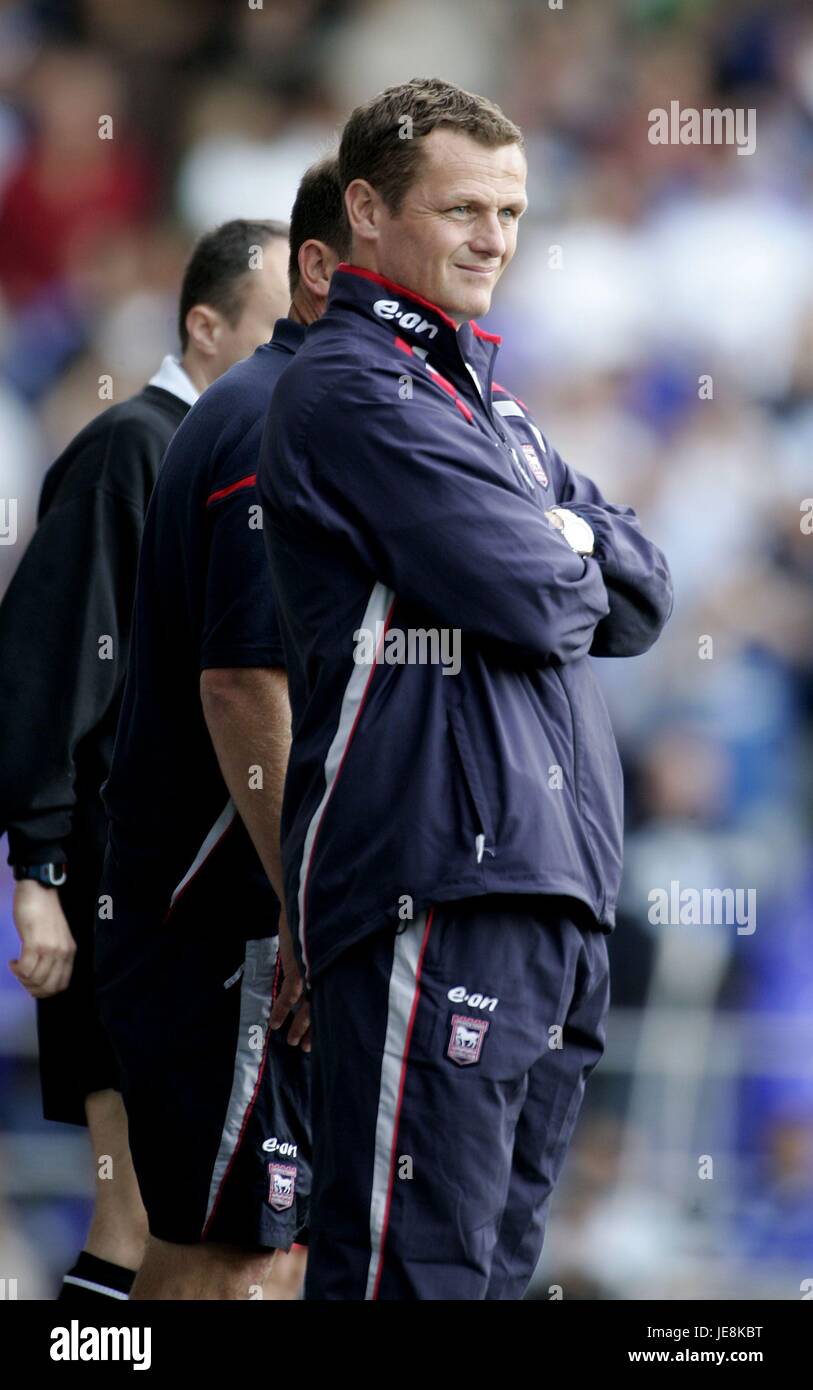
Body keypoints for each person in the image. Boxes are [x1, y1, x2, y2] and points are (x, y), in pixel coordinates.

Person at [259, 78, 674, 1301]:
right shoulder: (353, 386)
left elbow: (643, 590)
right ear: (369, 212)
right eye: (464, 209)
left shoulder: (483, 401)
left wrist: (555, 535)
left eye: (511, 210)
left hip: (550, 881)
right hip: (432, 880)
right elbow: (544, 598)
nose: (495, 237)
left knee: (493, 1275)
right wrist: (562, 538)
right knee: (410, 1272)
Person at [0, 217, 291, 1303]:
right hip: (121, 897)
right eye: (273, 329)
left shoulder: (245, 455)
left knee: (207, 1227)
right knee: (138, 1219)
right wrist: (39, 877)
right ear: (205, 325)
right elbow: (45, 664)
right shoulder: (136, 446)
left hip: (197, 901)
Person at [95, 158, 350, 1301]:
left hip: (242, 909)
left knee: (264, 1250)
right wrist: (308, 896)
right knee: (225, 1259)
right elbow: (241, 682)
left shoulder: (312, 412)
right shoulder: (253, 420)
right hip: (222, 912)